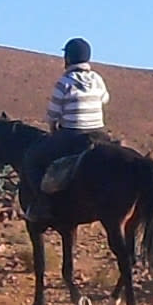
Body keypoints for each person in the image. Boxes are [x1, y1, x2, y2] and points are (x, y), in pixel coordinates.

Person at [34, 39, 109, 198]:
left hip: (72, 134)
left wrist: (53, 128)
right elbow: (105, 99)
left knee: (35, 158)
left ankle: (40, 204)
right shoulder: (97, 79)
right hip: (98, 133)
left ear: (67, 58)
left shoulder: (64, 82)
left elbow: (54, 112)